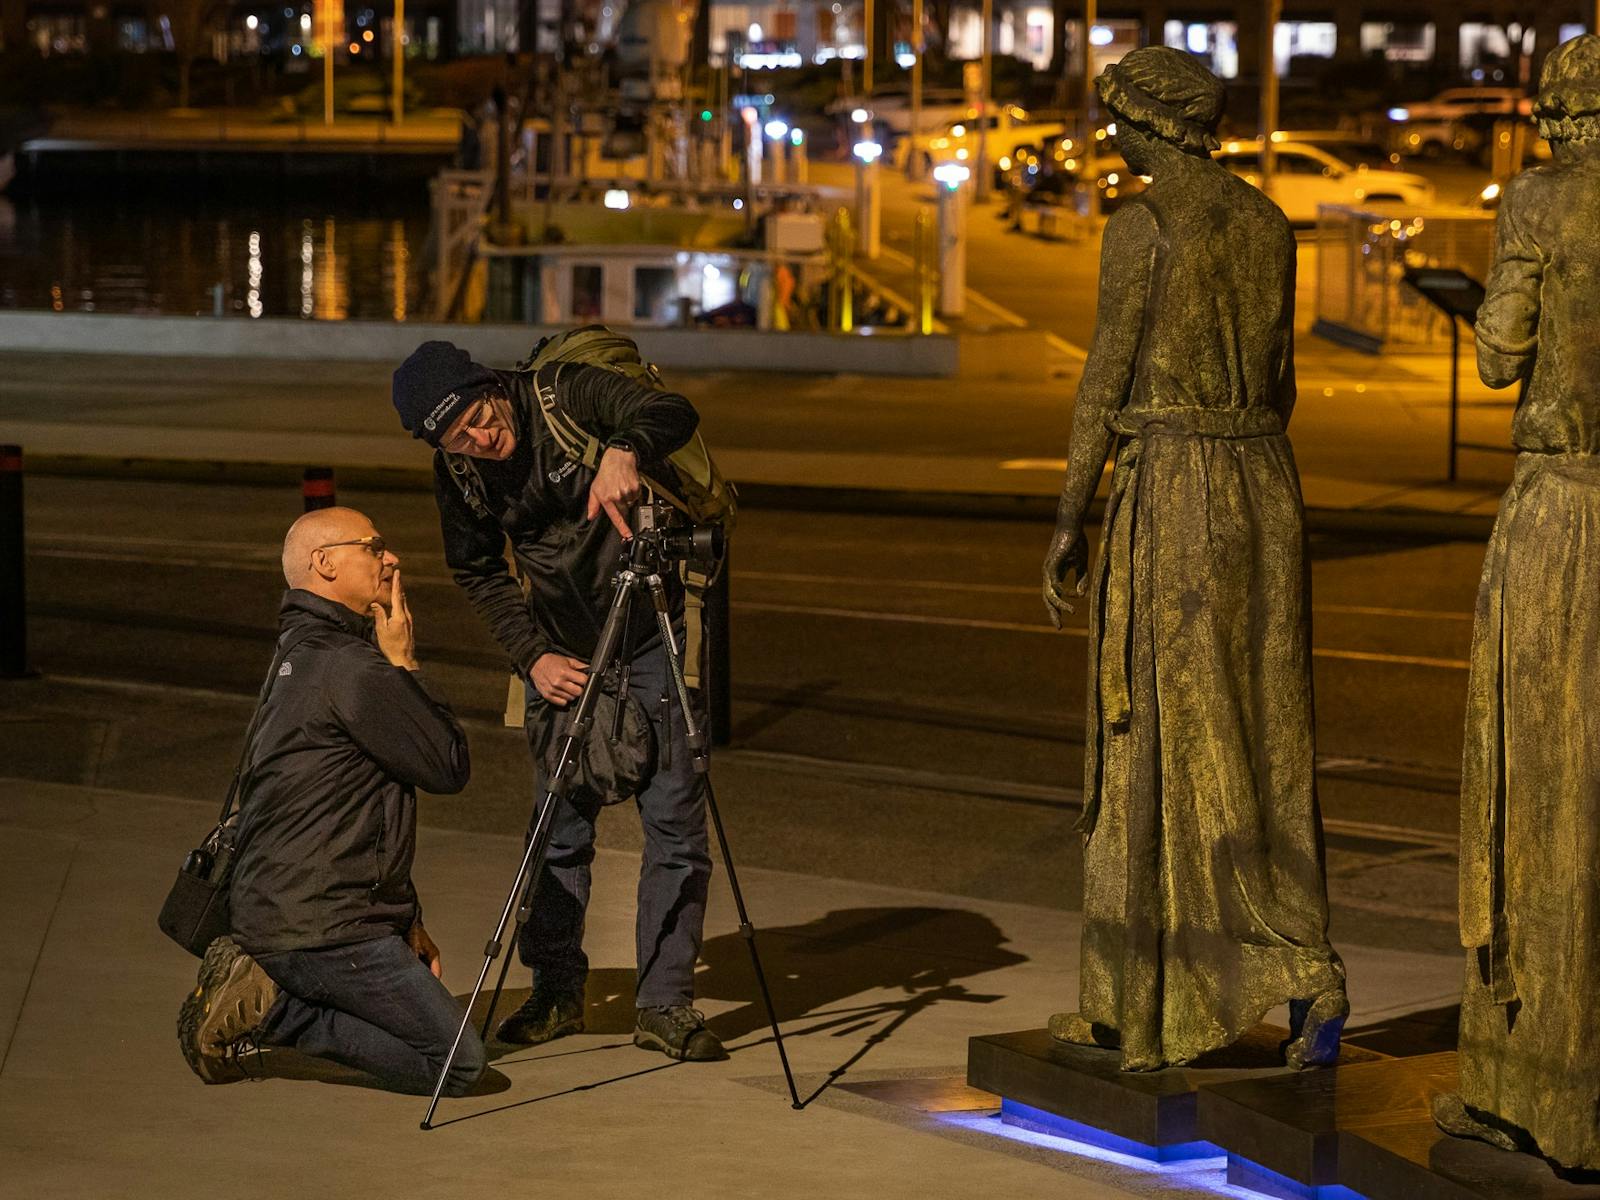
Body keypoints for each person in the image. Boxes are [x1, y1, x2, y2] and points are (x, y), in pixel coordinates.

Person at [1040, 46, 1347, 1071]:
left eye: (1118, 120)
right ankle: (1293, 969)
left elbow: (1102, 377)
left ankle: (1166, 992)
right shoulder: (1264, 222)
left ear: (1156, 127)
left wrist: (1068, 517)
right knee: (1265, 733)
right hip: (1265, 482)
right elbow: (1282, 377)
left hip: (1173, 486)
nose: (1110, 138)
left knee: (1165, 736)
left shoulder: (1145, 225)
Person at [392, 338, 726, 1062]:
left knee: (674, 824)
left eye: (479, 415)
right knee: (556, 827)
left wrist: (625, 449)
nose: (481, 437)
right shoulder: (459, 471)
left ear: (491, 386)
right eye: (458, 437)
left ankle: (664, 1004)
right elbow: (476, 571)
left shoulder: (564, 394)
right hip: (558, 652)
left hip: (653, 627)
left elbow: (672, 410)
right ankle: (555, 993)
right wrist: (532, 656)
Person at [1432, 35, 1600, 1171]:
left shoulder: (1542, 201)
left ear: (1553, 114)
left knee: (1542, 786)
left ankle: (1538, 1081)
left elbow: (1500, 354)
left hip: (1564, 511)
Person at [176, 506, 483, 1095]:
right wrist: (404, 661)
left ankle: (275, 982)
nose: (391, 558)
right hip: (323, 928)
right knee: (459, 1064)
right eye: (374, 546)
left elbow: (346, 809)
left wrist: (406, 919)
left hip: (285, 911)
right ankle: (279, 1012)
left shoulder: (299, 654)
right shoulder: (351, 666)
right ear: (325, 563)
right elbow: (447, 766)